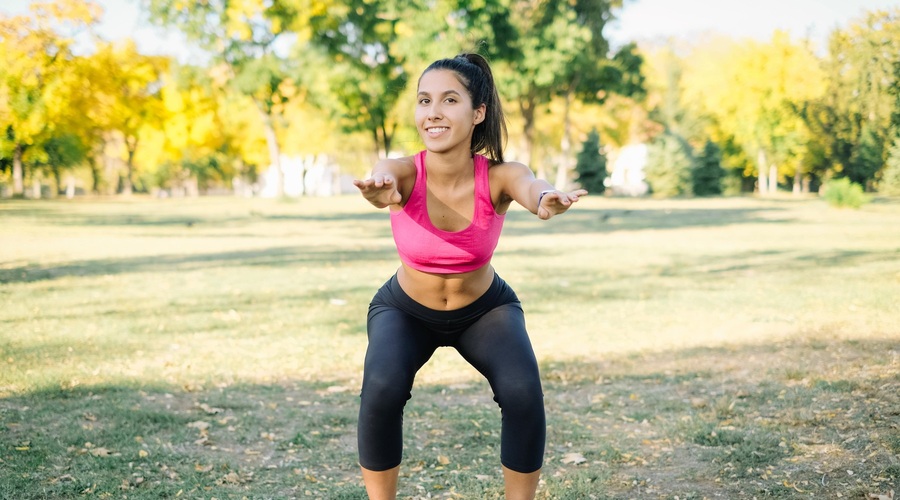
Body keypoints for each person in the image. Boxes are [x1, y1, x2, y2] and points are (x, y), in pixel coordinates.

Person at [352, 52, 587, 500]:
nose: (433, 112)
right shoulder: (403, 170)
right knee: (381, 388)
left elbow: (529, 186)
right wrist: (377, 190)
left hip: (484, 310)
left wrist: (545, 200)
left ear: (478, 112)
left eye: (449, 100)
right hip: (405, 309)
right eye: (424, 101)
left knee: (522, 391)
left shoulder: (500, 175)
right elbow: (384, 180)